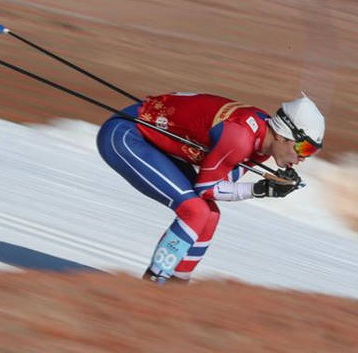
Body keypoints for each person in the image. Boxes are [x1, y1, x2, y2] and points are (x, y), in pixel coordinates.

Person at [96, 92, 324, 284]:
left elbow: (224, 181)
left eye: (311, 152)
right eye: (304, 148)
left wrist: (266, 187)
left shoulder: (263, 143)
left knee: (210, 215)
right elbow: (207, 188)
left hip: (151, 139)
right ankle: (152, 287)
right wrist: (260, 190)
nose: (304, 158)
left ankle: (176, 289)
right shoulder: (240, 138)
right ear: (284, 135)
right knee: (196, 211)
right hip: (126, 134)